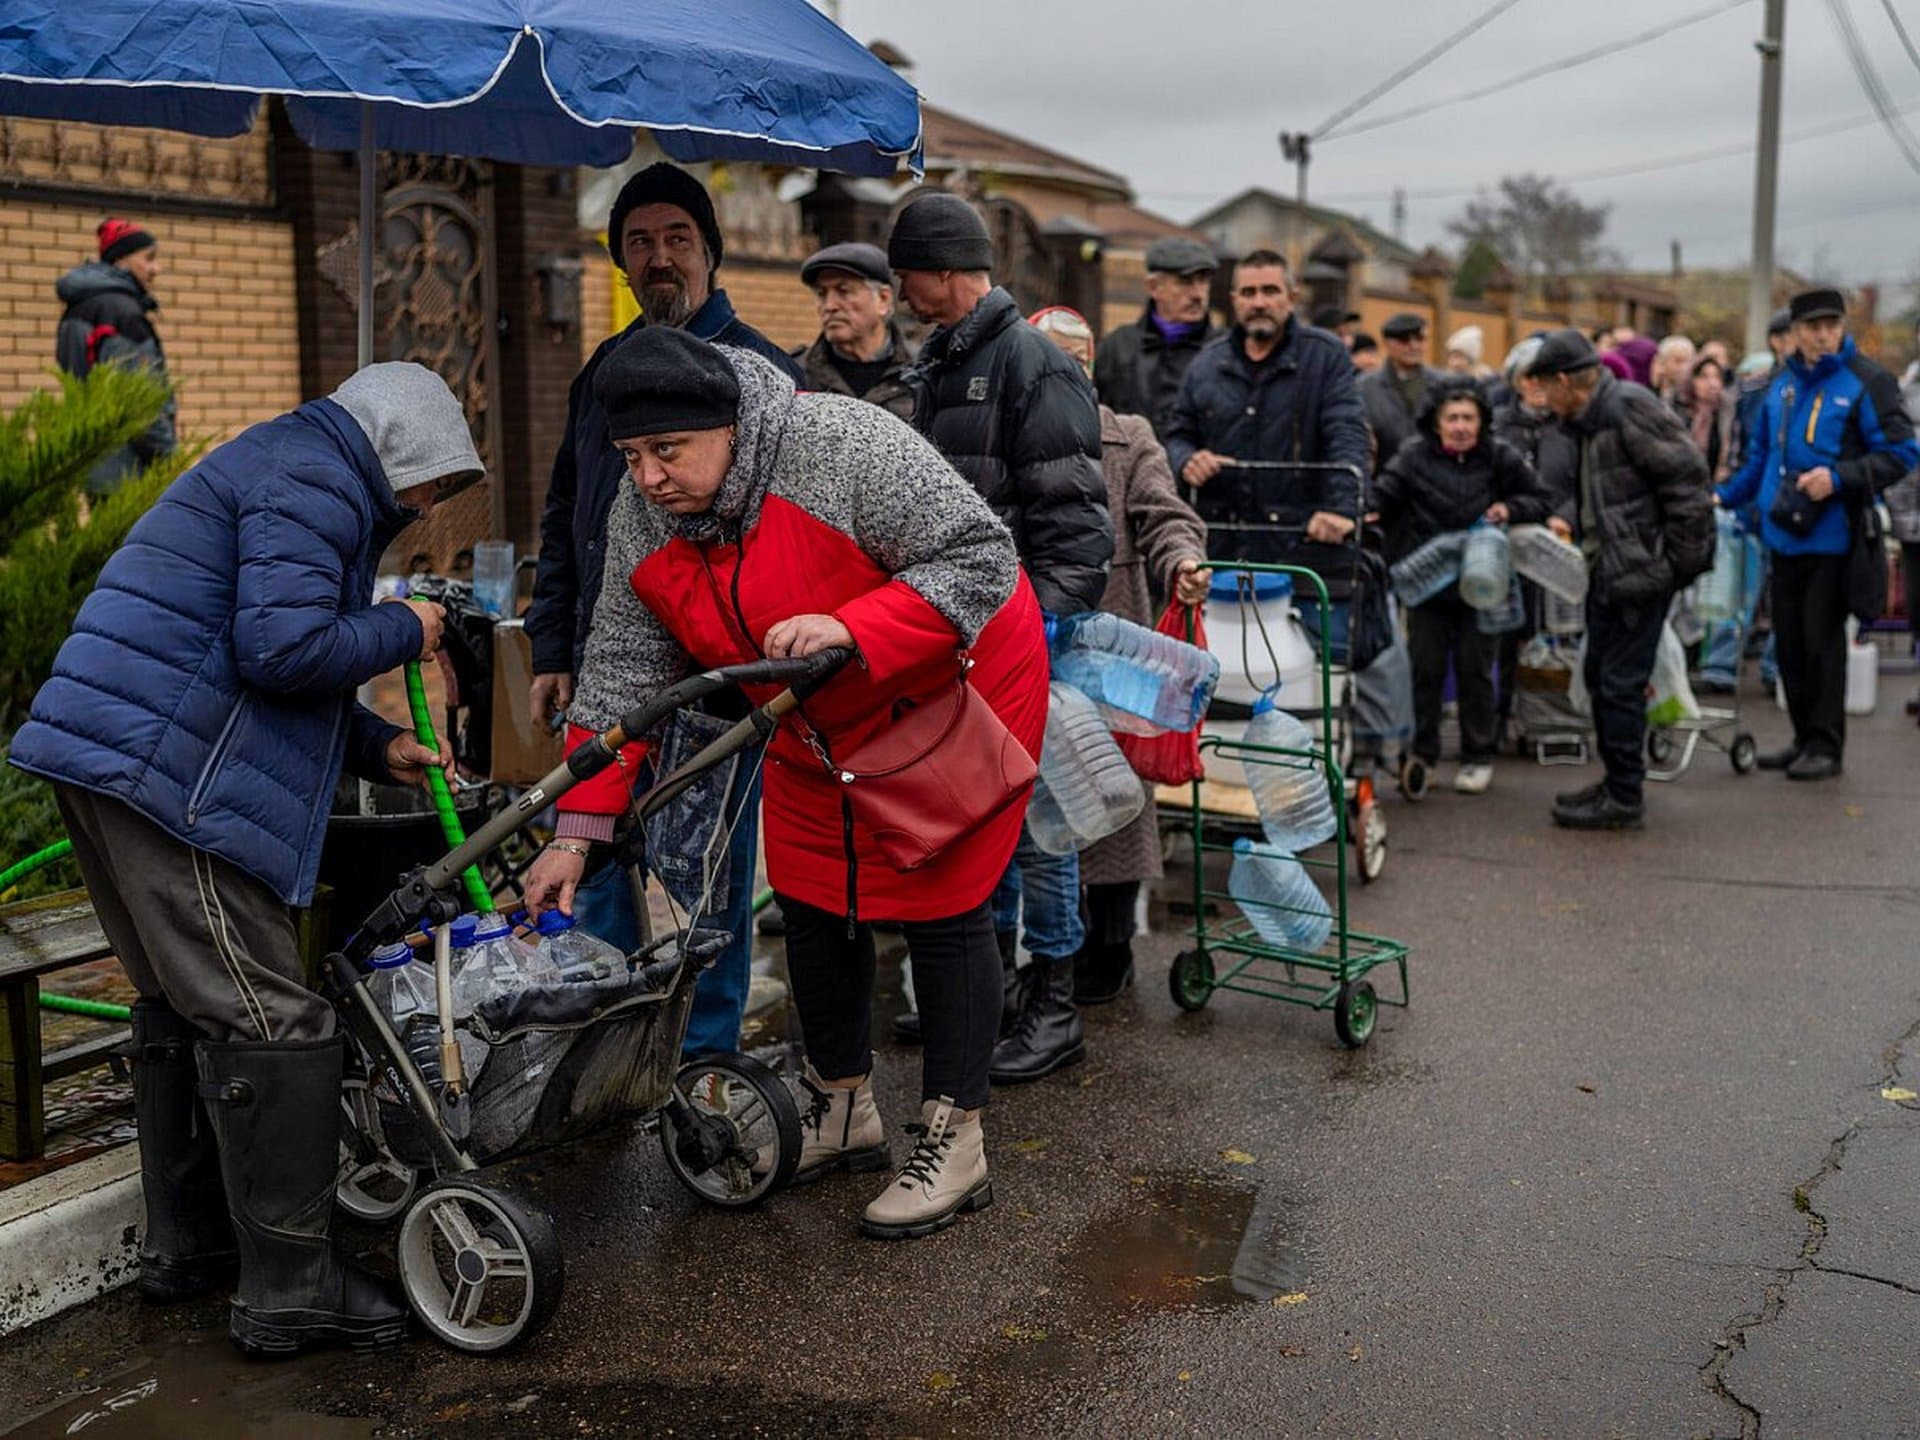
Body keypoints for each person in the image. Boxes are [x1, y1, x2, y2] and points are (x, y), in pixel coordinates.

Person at [518, 328, 1047, 1238]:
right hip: (807, 709)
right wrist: (577, 830)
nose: (648, 478)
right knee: (812, 889)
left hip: (950, 681)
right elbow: (619, 675)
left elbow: (979, 556)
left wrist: (855, 625)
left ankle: (954, 1136)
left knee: (939, 899)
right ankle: (841, 1107)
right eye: (631, 455)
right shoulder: (646, 509)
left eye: (667, 450)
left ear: (729, 425)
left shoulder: (840, 445)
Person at [8, 364, 477, 1356]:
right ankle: (292, 1291)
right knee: (274, 1017)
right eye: (436, 483)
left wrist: (374, 747)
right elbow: (283, 652)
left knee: (184, 1003)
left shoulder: (289, 465)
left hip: (118, 758)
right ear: (403, 449)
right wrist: (407, 626)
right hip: (164, 778)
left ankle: (193, 1248)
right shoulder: (314, 478)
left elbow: (247, 658)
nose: (430, 507)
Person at [525, 162, 800, 1059]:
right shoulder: (603, 371)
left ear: (710, 252)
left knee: (705, 879)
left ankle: (704, 1060)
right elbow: (567, 513)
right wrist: (552, 644)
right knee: (592, 850)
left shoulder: (760, 373)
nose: (659, 257)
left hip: (715, 682)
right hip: (608, 659)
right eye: (639, 242)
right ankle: (607, 1043)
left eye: (678, 238)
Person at [886, 190, 1113, 1084]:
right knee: (989, 817)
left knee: (1043, 822)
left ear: (945, 269)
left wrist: (1039, 630)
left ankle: (1056, 1006)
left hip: (1022, 636)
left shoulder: (1030, 363)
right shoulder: (943, 363)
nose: (899, 291)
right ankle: (1008, 991)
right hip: (962, 635)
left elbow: (1075, 521)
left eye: (906, 273)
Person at [1029, 306, 1209, 1002]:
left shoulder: (1128, 437)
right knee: (1047, 794)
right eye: (1048, 359)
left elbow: (1164, 515)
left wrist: (1183, 560)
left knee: (1113, 788)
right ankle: (1051, 949)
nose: (1063, 371)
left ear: (1092, 362)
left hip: (1111, 642)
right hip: (1033, 639)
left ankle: (1110, 948)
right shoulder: (1014, 432)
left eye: (1074, 358)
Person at [1715, 288, 1918, 779]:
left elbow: (1902, 453)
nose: (1824, 335)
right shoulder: (1782, 384)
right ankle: (1803, 736)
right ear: (1795, 333)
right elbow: (1760, 457)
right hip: (1781, 536)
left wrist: (1840, 478)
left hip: (1834, 539)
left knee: (1821, 644)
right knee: (1789, 646)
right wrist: (1723, 497)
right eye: (1813, 327)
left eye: (1832, 325)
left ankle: (1826, 745)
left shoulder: (1867, 381)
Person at [1528, 329, 1714, 828]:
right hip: (1609, 572)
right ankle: (1616, 782)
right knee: (1601, 679)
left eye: (1545, 387)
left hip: (1639, 575)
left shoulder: (1628, 407)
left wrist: (1673, 567)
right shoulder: (1590, 421)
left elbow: (1689, 483)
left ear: (1565, 381)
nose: (1543, 399)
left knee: (1620, 685)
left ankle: (1625, 798)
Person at [1372, 377, 1553, 794]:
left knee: (1477, 671)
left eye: (1468, 418)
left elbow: (1541, 499)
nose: (1460, 427)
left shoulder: (1500, 456)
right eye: (1451, 418)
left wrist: (1509, 507)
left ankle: (1477, 755)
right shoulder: (1413, 456)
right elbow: (1384, 495)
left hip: (1483, 581)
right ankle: (1423, 756)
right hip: (1427, 582)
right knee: (1425, 671)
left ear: (1481, 421)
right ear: (1436, 422)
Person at [1166, 248, 1368, 557]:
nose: (1259, 303)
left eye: (1270, 291)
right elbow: (1178, 435)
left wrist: (1341, 508)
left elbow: (1346, 434)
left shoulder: (1325, 357)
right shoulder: (1206, 363)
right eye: (1248, 293)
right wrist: (1187, 461)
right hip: (1221, 545)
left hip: (1303, 543)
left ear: (1292, 297)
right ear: (1234, 300)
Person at [55, 217, 176, 493]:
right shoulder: (122, 313)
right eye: (149, 258)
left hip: (95, 465)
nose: (156, 268)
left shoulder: (77, 309)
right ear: (121, 260)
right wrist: (168, 457)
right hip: (130, 473)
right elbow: (140, 402)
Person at [1094, 236, 1221, 441]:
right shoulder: (1116, 348)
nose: (1198, 294)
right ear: (1153, 287)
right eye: (1185, 282)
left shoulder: (1223, 352)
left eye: (1203, 281)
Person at [795, 241, 915, 422]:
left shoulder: (922, 373)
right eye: (822, 294)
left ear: (883, 299)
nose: (829, 306)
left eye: (843, 291)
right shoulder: (795, 374)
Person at [1361, 313, 1444, 478]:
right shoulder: (1365, 387)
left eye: (1420, 339)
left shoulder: (1443, 384)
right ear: (1387, 343)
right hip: (1384, 480)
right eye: (1404, 340)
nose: (1414, 346)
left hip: (1435, 481)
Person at [1678, 354, 1735, 482]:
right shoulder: (1678, 411)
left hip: (1719, 485)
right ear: (1691, 380)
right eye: (1703, 377)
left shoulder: (1729, 411)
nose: (1712, 383)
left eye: (1717, 377)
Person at [1651, 334, 1698, 405]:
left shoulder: (1691, 400)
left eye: (1689, 362)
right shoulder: (1648, 395)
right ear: (1662, 362)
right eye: (1678, 361)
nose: (1684, 367)